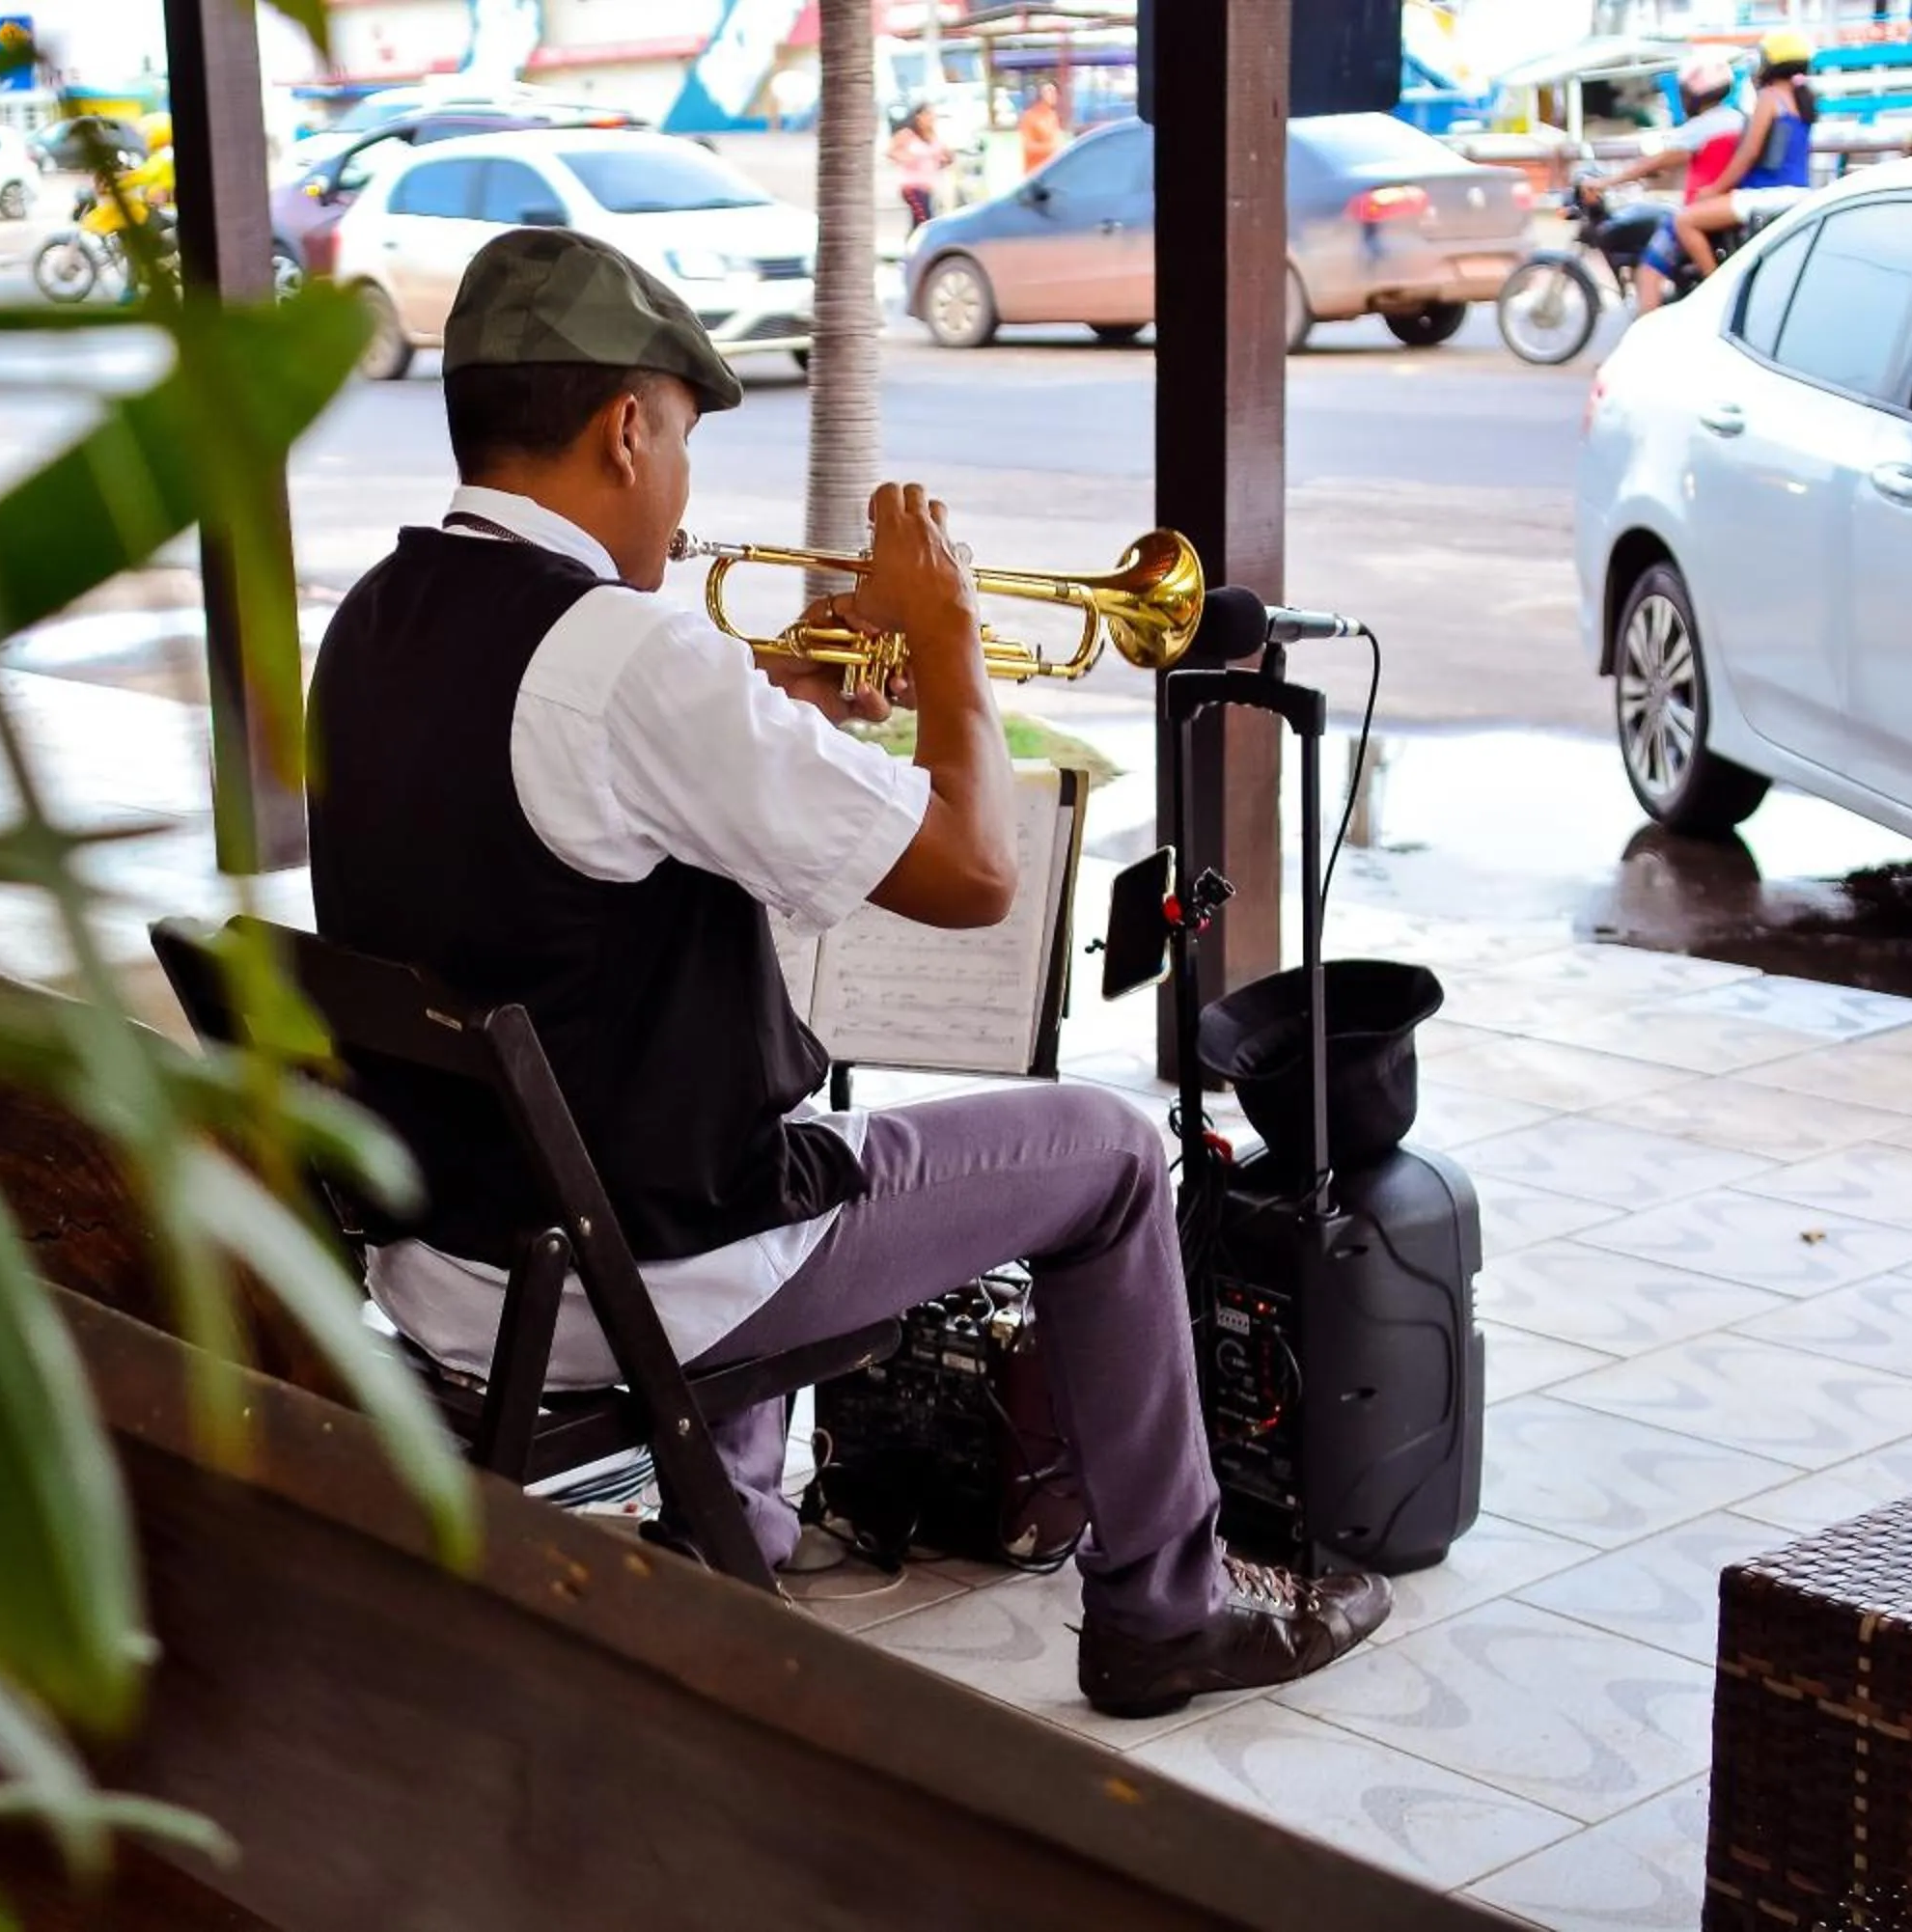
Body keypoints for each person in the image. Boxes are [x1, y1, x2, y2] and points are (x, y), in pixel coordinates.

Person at [304, 225, 1393, 1720]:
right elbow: (973, 873)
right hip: (640, 1275)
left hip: (450, 1264)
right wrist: (947, 646)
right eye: (680, 442)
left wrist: (786, 695)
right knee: (1111, 1152)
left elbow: (559, 781)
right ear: (629, 427)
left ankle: (730, 1526)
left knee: (738, 1103)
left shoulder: (374, 620)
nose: (682, 498)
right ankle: (1166, 1605)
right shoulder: (628, 657)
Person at [1581, 51, 1745, 313]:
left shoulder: (1701, 127)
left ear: (1694, 92)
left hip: (1698, 213)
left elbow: (1657, 162)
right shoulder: (1736, 120)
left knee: (1648, 274)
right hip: (1722, 212)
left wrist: (1607, 182)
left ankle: (1645, 335)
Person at [1676, 29, 1819, 281]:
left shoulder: (1770, 97)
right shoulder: (1802, 98)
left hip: (1766, 195)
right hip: (1798, 193)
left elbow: (1748, 153)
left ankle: (1715, 289)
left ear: (1770, 63)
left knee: (1685, 221)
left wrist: (1715, 189)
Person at [889, 104, 953, 235]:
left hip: (927, 188)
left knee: (920, 223)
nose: (932, 118)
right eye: (928, 114)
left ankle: (913, 249)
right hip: (912, 187)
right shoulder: (908, 134)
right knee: (925, 221)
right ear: (919, 117)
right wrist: (906, 158)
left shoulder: (933, 137)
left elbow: (947, 157)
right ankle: (917, 250)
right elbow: (892, 152)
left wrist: (942, 162)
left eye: (933, 115)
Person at [1020, 80, 1067, 178]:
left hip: (1050, 171)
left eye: (1055, 92)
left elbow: (1056, 139)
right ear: (1040, 95)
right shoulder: (1029, 116)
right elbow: (1028, 146)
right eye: (1049, 92)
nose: (1053, 95)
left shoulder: (1052, 115)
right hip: (1034, 173)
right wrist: (1051, 148)